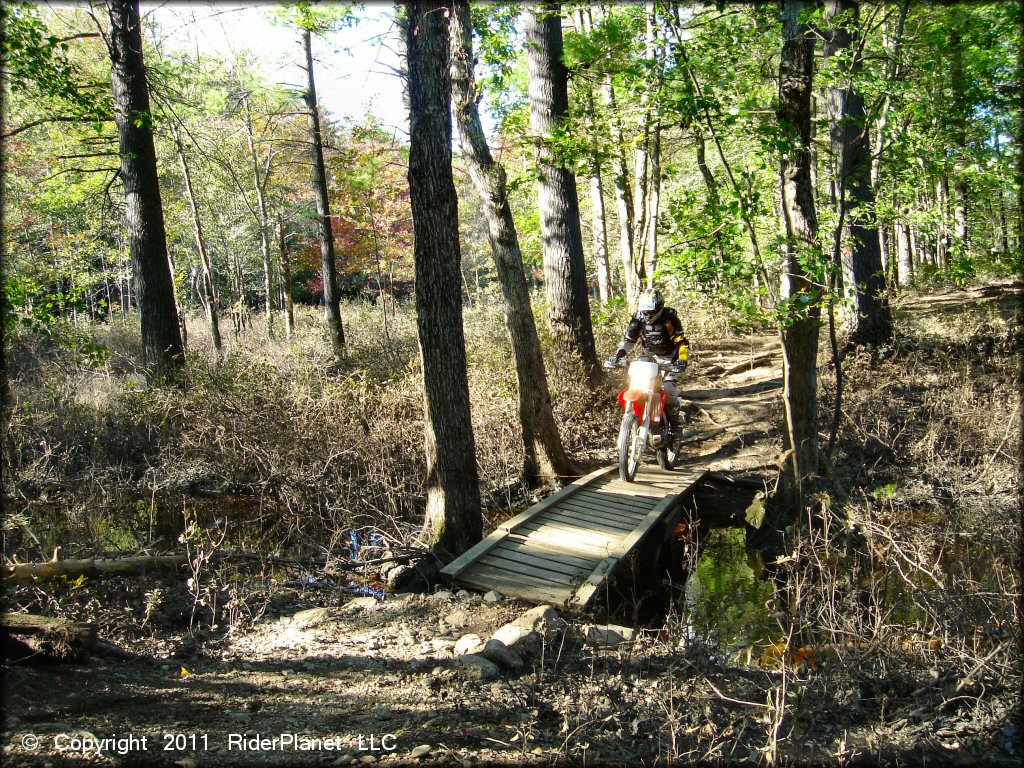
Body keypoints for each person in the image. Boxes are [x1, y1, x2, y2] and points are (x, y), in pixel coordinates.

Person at [604, 288, 689, 436]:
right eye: (645, 311)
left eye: (651, 311)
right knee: (639, 385)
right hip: (649, 358)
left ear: (659, 307)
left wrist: (682, 360)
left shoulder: (669, 318)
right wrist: (617, 356)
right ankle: (641, 417)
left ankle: (676, 424)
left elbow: (681, 342)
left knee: (668, 389)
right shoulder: (638, 319)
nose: (648, 314)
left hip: (670, 358)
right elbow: (628, 341)